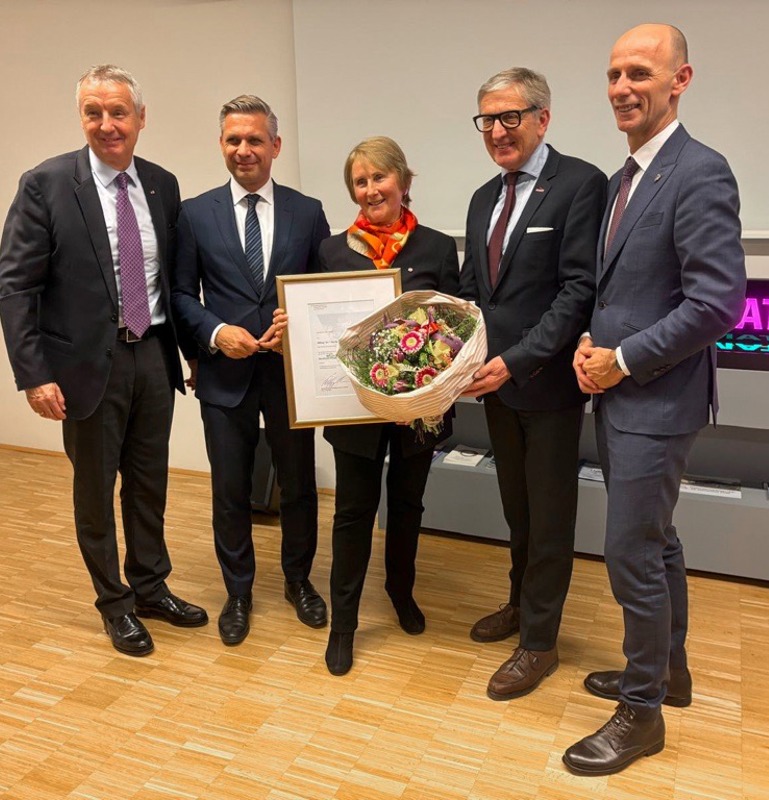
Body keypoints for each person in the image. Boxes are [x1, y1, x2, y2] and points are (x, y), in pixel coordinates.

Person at [565, 24, 746, 775]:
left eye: (639, 72)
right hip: (622, 397)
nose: (621, 88)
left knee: (631, 553)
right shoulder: (625, 178)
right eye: (613, 74)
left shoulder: (700, 171)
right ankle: (668, 674)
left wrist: (624, 360)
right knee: (657, 541)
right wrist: (592, 344)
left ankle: (640, 714)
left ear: (680, 80)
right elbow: (625, 292)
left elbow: (717, 303)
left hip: (656, 401)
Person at [0, 65, 208, 657]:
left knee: (148, 482)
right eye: (94, 112)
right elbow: (15, 286)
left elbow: (173, 281)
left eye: (118, 112)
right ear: (81, 118)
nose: (107, 124)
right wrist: (34, 374)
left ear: (141, 118)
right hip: (87, 368)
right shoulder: (45, 183)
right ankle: (115, 604)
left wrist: (191, 353)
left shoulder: (162, 184)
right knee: (95, 490)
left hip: (154, 354)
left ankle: (151, 587)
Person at [459, 68, 606, 699]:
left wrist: (517, 360)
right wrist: (456, 361)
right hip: (495, 387)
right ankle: (521, 605)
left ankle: (541, 642)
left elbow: (578, 291)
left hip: (545, 386)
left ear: (542, 119)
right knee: (516, 508)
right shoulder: (481, 198)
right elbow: (473, 294)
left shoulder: (580, 184)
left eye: (510, 117)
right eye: (487, 120)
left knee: (549, 518)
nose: (497, 131)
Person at [171, 95, 330, 646]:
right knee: (230, 489)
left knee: (299, 486)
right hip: (224, 376)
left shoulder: (308, 212)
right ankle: (238, 592)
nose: (244, 149)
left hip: (289, 377)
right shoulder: (194, 213)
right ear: (222, 145)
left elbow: (323, 290)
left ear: (275, 146)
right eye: (234, 140)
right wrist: (217, 333)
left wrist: (299, 325)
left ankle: (299, 581)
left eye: (255, 140)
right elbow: (179, 293)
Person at [319, 137, 459, 675]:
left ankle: (400, 591)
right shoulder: (331, 252)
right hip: (353, 408)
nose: (371, 189)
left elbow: (457, 325)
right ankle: (343, 624)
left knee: (407, 505)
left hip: (418, 411)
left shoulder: (437, 248)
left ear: (403, 181)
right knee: (352, 512)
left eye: (380, 177)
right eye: (360, 181)